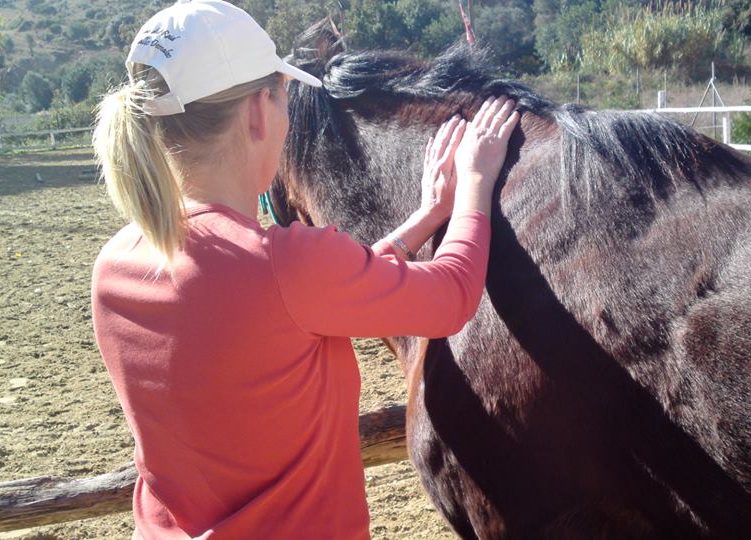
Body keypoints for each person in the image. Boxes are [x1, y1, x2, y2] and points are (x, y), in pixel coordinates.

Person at [90, 1, 519, 538]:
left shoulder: (115, 267)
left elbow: (307, 294)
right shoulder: (286, 263)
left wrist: (429, 214)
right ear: (255, 112)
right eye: (283, 98)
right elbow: (452, 295)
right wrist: (476, 186)